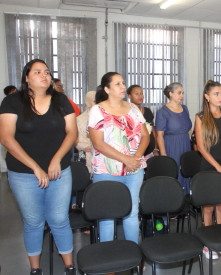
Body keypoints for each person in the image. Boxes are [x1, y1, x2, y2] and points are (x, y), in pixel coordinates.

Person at [0, 59, 77, 275]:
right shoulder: (12, 102)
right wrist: (35, 167)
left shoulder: (61, 100)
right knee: (33, 222)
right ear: (26, 78)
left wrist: (56, 160)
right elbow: (6, 138)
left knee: (59, 219)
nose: (44, 75)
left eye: (47, 71)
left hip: (59, 171)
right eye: (37, 72)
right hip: (24, 173)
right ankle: (35, 269)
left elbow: (72, 132)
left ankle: (69, 266)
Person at [88, 72, 149, 244]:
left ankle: (133, 256)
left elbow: (145, 136)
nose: (122, 86)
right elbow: (98, 144)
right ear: (106, 89)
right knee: (107, 216)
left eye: (123, 83)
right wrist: (126, 159)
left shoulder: (134, 109)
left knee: (131, 213)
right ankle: (109, 263)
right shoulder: (97, 110)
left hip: (134, 169)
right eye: (117, 84)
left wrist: (135, 158)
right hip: (107, 170)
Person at [194, 80, 221, 259]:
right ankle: (207, 244)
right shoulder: (201, 117)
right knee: (208, 208)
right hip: (210, 166)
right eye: (216, 94)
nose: (220, 97)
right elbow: (201, 147)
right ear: (207, 96)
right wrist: (218, 167)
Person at [155, 82, 192, 193]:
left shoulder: (184, 108)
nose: (181, 95)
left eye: (183, 93)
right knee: (175, 172)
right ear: (170, 94)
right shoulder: (163, 112)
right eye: (179, 93)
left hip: (185, 144)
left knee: (186, 171)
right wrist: (164, 155)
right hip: (172, 146)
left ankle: (186, 201)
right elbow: (159, 135)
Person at [127, 85, 158, 157]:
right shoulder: (127, 112)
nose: (140, 96)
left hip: (150, 152)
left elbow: (153, 130)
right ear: (129, 96)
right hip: (135, 154)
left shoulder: (147, 111)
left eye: (141, 93)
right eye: (136, 93)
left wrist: (155, 148)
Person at [75, 90, 96, 174]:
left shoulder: (108, 117)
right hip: (85, 157)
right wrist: (99, 147)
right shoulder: (79, 120)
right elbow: (78, 142)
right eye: (95, 101)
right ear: (87, 103)